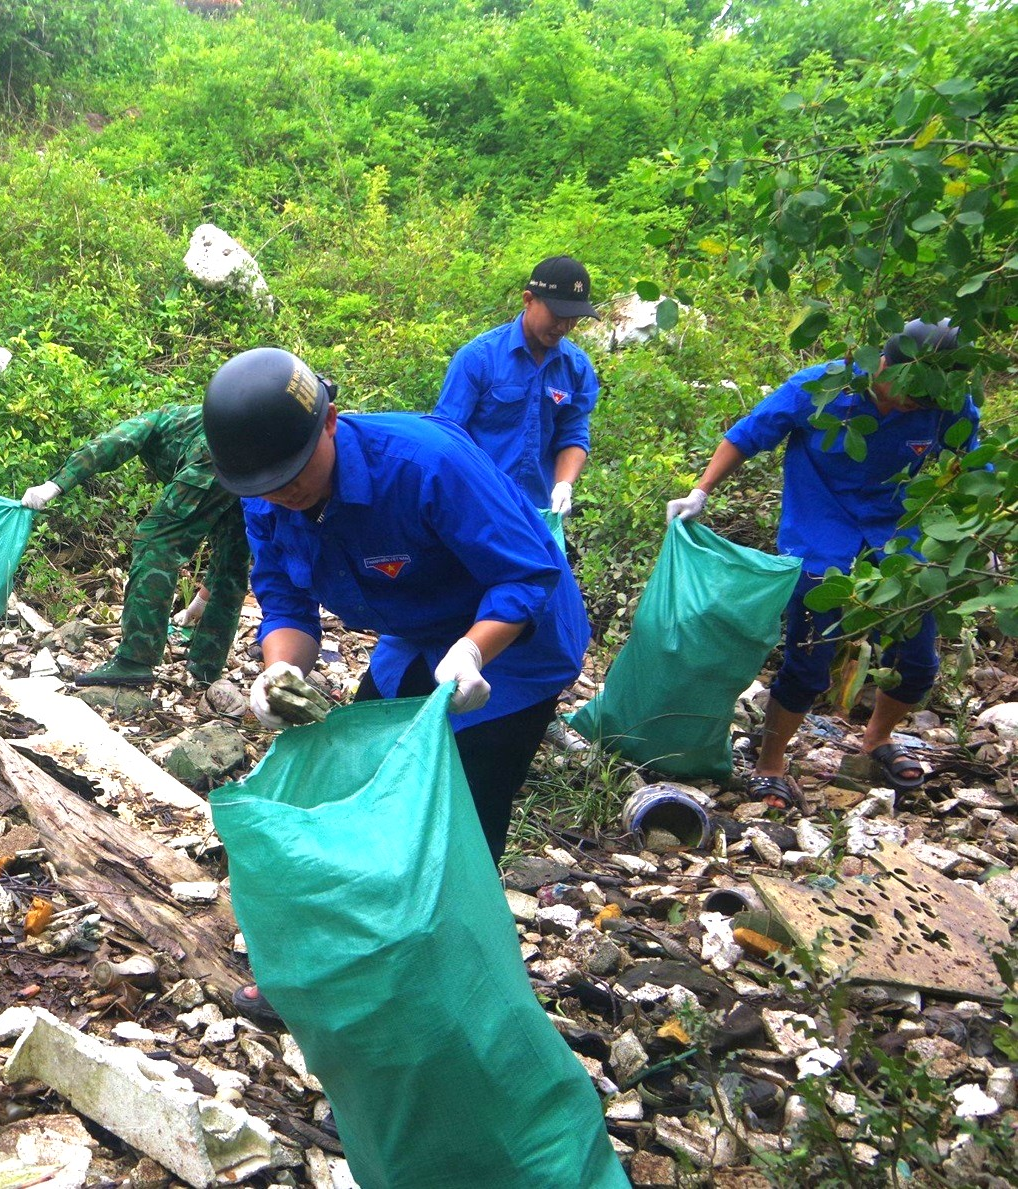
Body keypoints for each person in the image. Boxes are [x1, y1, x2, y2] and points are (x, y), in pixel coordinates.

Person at [202, 346, 589, 1024]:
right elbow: (285, 598)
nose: (283, 492)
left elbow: (526, 574)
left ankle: (430, 981)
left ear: (329, 422)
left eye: (293, 471)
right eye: (264, 483)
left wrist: (473, 650)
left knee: (455, 812)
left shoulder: (425, 464)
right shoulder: (267, 494)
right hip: (413, 630)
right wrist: (278, 669)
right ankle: (326, 963)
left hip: (514, 647)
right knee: (355, 784)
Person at [666, 319, 978, 805]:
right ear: (883, 363)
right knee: (809, 657)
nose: (911, 405)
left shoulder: (948, 404)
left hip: (901, 537)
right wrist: (699, 492)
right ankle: (771, 762)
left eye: (925, 399)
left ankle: (876, 740)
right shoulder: (822, 387)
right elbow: (748, 436)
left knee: (916, 659)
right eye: (905, 391)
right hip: (820, 529)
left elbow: (974, 464)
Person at [20, 405, 249, 686]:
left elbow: (109, 445)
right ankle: (206, 668)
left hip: (215, 452)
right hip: (253, 462)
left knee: (156, 541)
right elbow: (226, 557)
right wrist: (200, 602)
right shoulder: (193, 419)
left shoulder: (156, 420)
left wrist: (53, 485)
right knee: (232, 561)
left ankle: (134, 660)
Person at [434, 255, 601, 516]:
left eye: (573, 318)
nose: (564, 326)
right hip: (478, 508)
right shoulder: (479, 358)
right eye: (558, 315)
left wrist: (564, 485)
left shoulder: (576, 366)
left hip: (538, 514)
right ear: (528, 300)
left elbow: (573, 434)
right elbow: (446, 435)